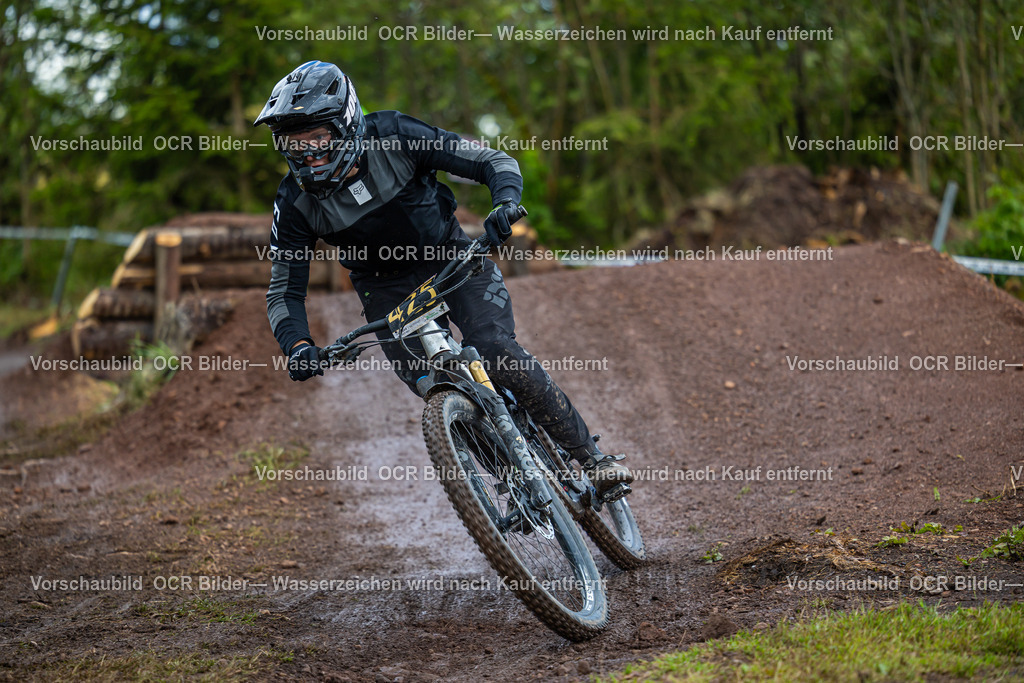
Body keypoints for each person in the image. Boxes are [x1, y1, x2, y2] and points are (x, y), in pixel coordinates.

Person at [254, 60, 632, 500]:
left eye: (317, 138)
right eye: (293, 144)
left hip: (450, 257)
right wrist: (298, 347)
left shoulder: (396, 135)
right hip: (384, 289)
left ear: (346, 122)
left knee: (494, 348)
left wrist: (505, 203)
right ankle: (516, 485)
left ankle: (592, 459)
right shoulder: (294, 203)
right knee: (434, 386)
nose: (308, 154)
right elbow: (284, 290)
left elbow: (490, 159)